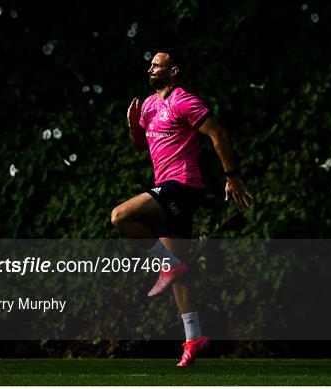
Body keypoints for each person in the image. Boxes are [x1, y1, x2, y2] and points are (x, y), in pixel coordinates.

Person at [111, 49, 253, 366]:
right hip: (169, 188)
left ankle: (168, 265)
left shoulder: (184, 101)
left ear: (173, 72)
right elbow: (140, 145)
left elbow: (218, 133)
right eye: (149, 65)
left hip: (182, 185)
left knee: (120, 216)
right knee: (178, 268)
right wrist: (133, 126)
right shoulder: (148, 105)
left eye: (157, 65)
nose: (150, 68)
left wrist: (231, 176)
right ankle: (194, 337)